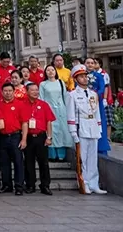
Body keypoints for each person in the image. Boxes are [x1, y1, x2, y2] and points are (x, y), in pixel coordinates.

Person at [66, 64, 107, 195]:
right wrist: (73, 132)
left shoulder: (93, 94)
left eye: (85, 76)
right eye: (81, 77)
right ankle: (84, 183)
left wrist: (99, 127)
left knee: (93, 158)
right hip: (81, 126)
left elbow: (97, 113)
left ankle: (94, 183)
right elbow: (71, 114)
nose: (84, 79)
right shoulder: (72, 95)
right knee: (82, 158)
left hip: (93, 125)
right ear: (76, 79)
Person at [23, 82, 55, 195]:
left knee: (44, 163)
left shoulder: (44, 104)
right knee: (28, 162)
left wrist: (49, 137)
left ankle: (45, 185)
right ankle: (30, 185)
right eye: (32, 90)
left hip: (41, 136)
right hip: (28, 137)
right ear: (27, 92)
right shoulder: (22, 104)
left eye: (37, 90)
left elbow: (49, 122)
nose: (35, 92)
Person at [0, 82, 27, 196]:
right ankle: (7, 185)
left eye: (10, 91)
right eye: (5, 91)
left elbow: (24, 123)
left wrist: (23, 139)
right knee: (4, 162)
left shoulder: (20, 104)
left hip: (15, 136)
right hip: (2, 136)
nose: (8, 93)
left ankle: (19, 186)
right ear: (2, 92)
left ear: (14, 92)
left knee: (18, 162)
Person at [39, 64, 72, 161]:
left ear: (55, 72)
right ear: (45, 72)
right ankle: (52, 154)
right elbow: (41, 98)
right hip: (49, 109)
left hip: (61, 109)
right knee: (51, 130)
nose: (50, 72)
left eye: (52, 70)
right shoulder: (43, 84)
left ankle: (61, 154)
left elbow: (65, 96)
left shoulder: (61, 83)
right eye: (48, 70)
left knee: (62, 130)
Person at [85, 58, 111, 155]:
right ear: (85, 64)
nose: (90, 64)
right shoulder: (81, 75)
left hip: (96, 102)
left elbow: (102, 88)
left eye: (92, 63)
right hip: (84, 103)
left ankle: (101, 146)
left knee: (99, 123)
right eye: (88, 63)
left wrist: (95, 95)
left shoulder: (99, 76)